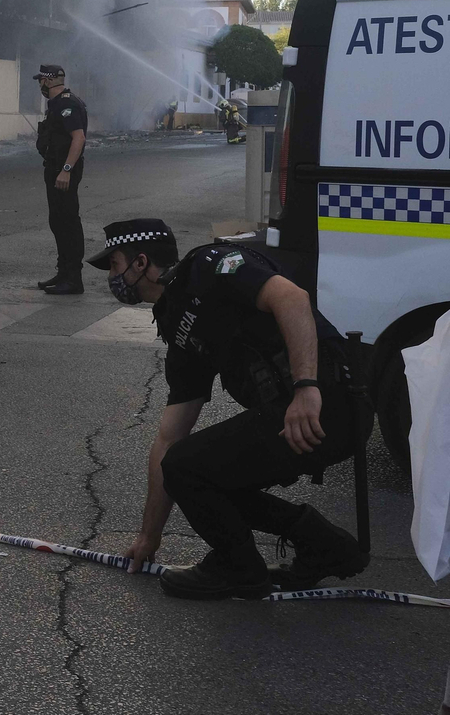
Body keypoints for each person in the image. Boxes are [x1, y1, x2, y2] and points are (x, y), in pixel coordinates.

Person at [92, 218, 371, 600]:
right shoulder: (179, 327)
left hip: (327, 403)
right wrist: (148, 538)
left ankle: (237, 568)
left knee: (187, 466)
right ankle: (324, 545)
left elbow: (291, 298)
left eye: (113, 264)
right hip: (293, 416)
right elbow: (168, 438)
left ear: (140, 263)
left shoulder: (211, 265)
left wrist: (307, 388)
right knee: (189, 468)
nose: (112, 276)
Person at [33, 64, 88, 295]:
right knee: (57, 221)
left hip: (64, 172)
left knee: (68, 223)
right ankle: (63, 272)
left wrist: (66, 169)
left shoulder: (67, 103)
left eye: (41, 81)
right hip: (55, 169)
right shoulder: (56, 104)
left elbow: (79, 138)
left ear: (47, 81)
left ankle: (74, 279)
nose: (39, 85)